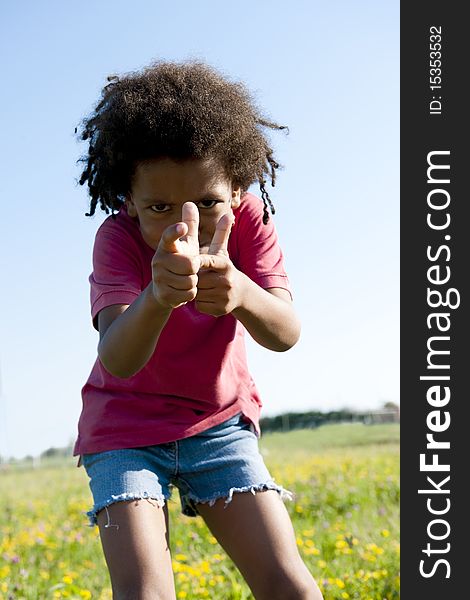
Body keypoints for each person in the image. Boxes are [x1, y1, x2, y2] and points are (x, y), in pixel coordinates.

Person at [74, 60, 323, 600]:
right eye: (159, 207)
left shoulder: (250, 224)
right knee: (146, 593)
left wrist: (242, 292)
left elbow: (285, 332)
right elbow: (117, 356)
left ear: (236, 188)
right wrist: (158, 299)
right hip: (125, 431)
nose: (185, 223)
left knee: (292, 588)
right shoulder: (116, 239)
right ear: (128, 200)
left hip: (218, 424)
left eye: (207, 202)